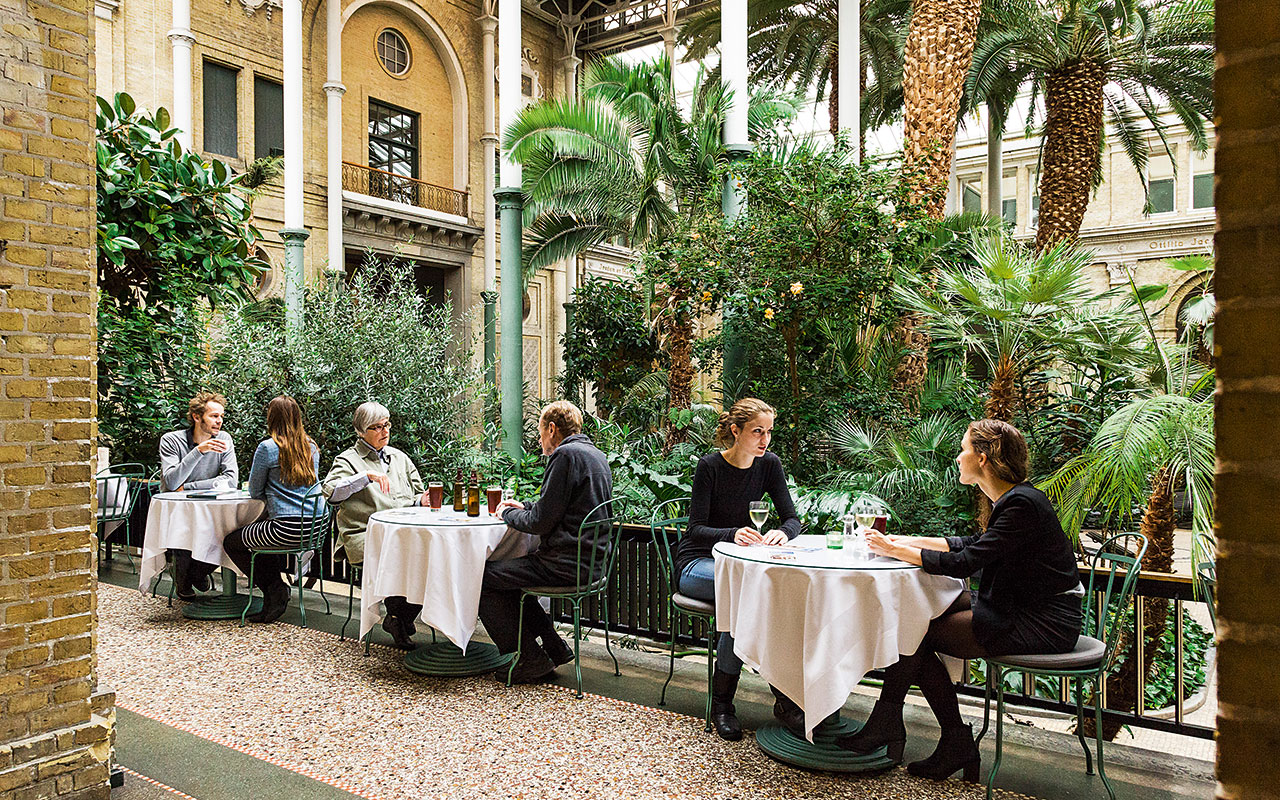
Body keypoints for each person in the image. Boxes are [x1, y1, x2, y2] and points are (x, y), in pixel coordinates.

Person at [838, 419, 1083, 781]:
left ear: (983, 458)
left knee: (916, 633)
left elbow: (965, 562)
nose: (958, 457)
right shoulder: (1015, 499)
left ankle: (927, 733)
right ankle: (900, 726)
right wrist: (911, 541)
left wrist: (894, 549)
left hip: (1046, 621)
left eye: (964, 449)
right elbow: (972, 544)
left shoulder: (1022, 505)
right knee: (916, 622)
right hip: (1020, 605)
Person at [677, 398, 802, 741]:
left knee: (749, 601)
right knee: (744, 599)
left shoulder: (769, 465)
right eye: (757, 432)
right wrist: (732, 533)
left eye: (769, 432)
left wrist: (783, 532)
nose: (765, 440)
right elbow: (695, 529)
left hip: (739, 571)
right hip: (697, 564)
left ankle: (729, 703)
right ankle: (771, 701)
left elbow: (792, 519)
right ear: (736, 431)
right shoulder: (710, 466)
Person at [479, 400, 613, 684]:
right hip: (593, 561)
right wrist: (525, 504)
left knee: (483, 578)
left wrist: (507, 512)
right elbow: (562, 505)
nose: (540, 440)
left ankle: (531, 657)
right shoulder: (594, 454)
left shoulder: (564, 456)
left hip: (565, 565)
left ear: (552, 429)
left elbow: (540, 523)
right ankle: (554, 646)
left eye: (540, 433)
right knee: (508, 577)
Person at [321, 402, 431, 649]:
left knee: (432, 558)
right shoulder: (348, 460)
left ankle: (398, 617)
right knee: (406, 558)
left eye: (387, 425)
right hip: (365, 536)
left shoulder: (399, 457)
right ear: (361, 431)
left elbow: (416, 495)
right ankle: (400, 618)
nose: (385, 431)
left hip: (404, 535)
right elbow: (331, 493)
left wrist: (421, 500)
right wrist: (365, 477)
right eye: (377, 427)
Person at [222, 396, 323, 623]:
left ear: (271, 418)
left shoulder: (268, 447)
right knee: (259, 536)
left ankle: (275, 589)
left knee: (232, 542)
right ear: (298, 417)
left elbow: (255, 491)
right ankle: (275, 592)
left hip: (286, 528)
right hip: (315, 527)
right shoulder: (312, 447)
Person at [158, 391, 238, 599]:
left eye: (221, 416)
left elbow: (231, 480)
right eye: (214, 416)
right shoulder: (171, 441)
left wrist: (189, 487)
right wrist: (198, 452)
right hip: (178, 511)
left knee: (231, 533)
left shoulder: (224, 439)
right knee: (186, 531)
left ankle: (194, 573)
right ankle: (185, 578)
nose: (219, 421)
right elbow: (172, 482)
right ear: (196, 417)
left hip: (211, 509)